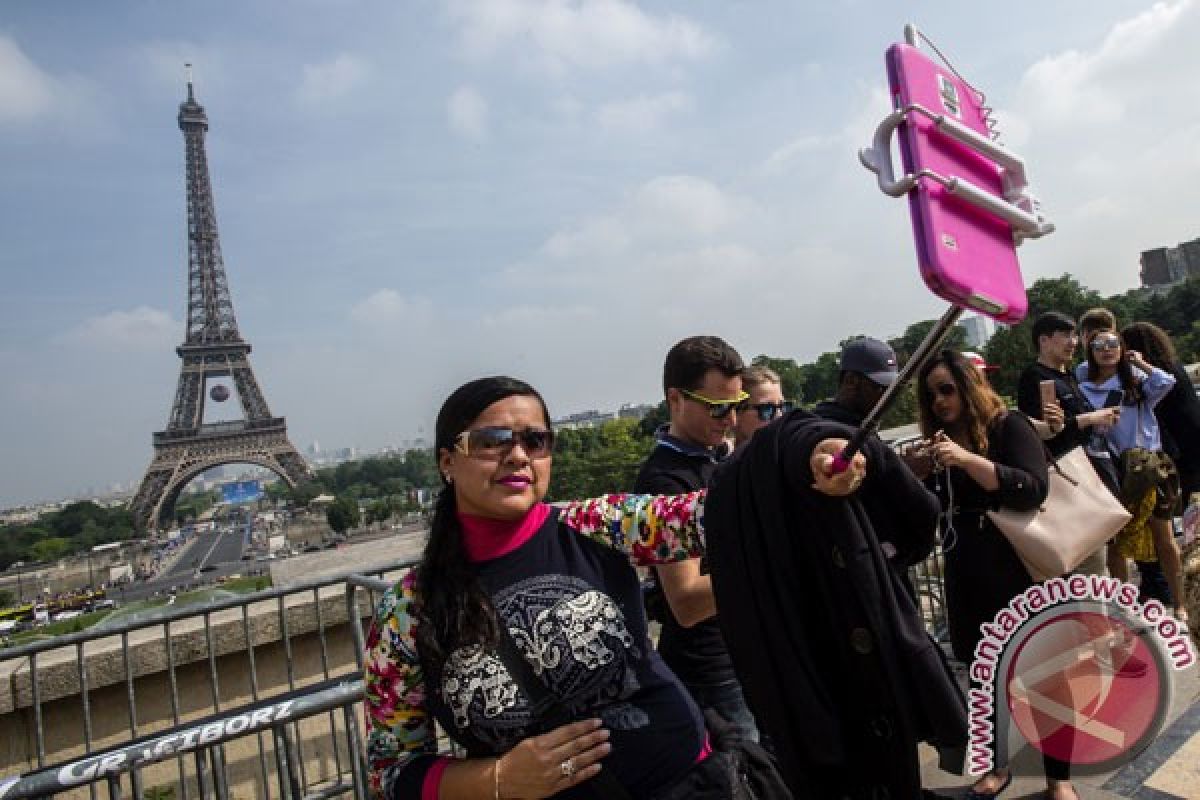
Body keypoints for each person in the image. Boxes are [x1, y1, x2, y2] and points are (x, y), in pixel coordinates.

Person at [363, 375, 863, 799]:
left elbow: (717, 510)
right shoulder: (407, 612)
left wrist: (808, 457)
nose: (517, 456)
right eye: (492, 440)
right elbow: (394, 771)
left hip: (695, 782)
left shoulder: (596, 525)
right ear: (447, 462)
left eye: (534, 442)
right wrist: (499, 778)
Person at [705, 400, 968, 799]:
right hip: (785, 684)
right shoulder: (722, 485)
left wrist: (821, 449)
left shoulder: (793, 454)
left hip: (860, 677)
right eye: (762, 409)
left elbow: (804, 436)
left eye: (782, 406)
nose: (775, 418)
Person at [914, 351, 1074, 800]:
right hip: (966, 568)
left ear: (969, 384)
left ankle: (1058, 777)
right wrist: (916, 474)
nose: (940, 401)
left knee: (1042, 672)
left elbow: (1031, 490)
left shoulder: (1009, 425)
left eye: (947, 389)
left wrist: (966, 459)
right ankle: (996, 765)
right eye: (932, 395)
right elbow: (931, 508)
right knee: (984, 673)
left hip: (1017, 566)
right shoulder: (941, 441)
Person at [631, 336, 761, 742]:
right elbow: (686, 602)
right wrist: (772, 559)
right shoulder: (664, 483)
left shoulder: (719, 458)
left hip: (746, 648)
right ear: (675, 399)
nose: (730, 419)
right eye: (717, 408)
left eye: (737, 404)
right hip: (711, 666)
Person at [1078, 328, 1186, 621]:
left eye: (1113, 344)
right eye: (1099, 345)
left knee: (1164, 537)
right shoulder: (1085, 388)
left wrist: (1139, 363)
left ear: (1122, 348)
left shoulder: (1136, 383)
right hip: (1114, 470)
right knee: (1116, 542)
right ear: (1091, 351)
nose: (1107, 350)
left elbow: (1167, 381)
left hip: (1148, 468)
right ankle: (1122, 609)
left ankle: (1179, 604)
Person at [1016, 312, 1123, 575]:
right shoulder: (1035, 377)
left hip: (1090, 475)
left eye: (1075, 335)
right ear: (1044, 340)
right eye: (1065, 335)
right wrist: (1089, 418)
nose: (1073, 342)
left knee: (1102, 557)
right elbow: (1045, 433)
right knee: (1088, 564)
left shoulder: (1068, 376)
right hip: (1067, 482)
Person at [1121, 322, 1200, 510]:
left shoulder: (1151, 373)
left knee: (1189, 494)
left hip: (1178, 439)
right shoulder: (1172, 365)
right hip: (1193, 430)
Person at [733, 365, 792, 449]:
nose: (780, 416)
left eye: (784, 407)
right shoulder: (715, 459)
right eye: (767, 409)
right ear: (735, 413)